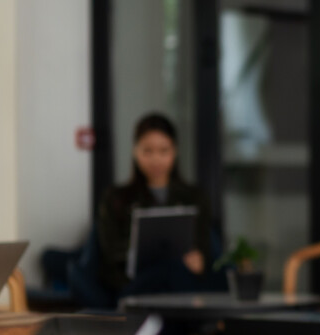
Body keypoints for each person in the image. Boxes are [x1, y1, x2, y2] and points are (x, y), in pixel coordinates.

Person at [92, 113, 224, 303]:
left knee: (175, 272)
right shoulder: (115, 198)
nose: (156, 160)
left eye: (163, 151)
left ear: (175, 151)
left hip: (181, 280)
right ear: (135, 151)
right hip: (136, 284)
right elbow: (110, 254)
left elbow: (204, 248)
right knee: (167, 271)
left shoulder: (195, 197)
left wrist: (199, 260)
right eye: (148, 151)